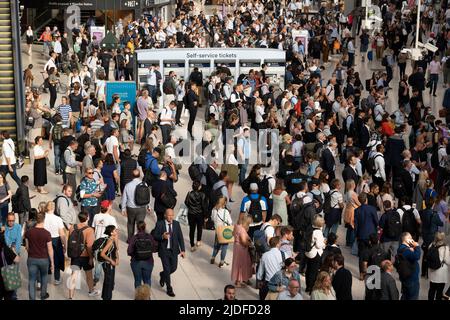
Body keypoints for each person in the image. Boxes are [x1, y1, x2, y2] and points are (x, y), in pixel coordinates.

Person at [153, 208, 186, 297]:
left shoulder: (176, 224)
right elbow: (154, 235)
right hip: (164, 251)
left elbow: (180, 238)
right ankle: (169, 288)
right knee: (167, 269)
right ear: (165, 215)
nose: (171, 217)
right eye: (169, 215)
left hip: (174, 250)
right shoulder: (160, 224)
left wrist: (183, 250)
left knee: (174, 268)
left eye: (172, 215)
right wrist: (162, 236)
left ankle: (162, 274)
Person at [67, 212, 99, 299]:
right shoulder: (89, 230)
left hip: (75, 255)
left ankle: (71, 296)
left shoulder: (72, 227)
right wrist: (91, 258)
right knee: (89, 275)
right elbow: (89, 246)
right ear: (88, 218)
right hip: (85, 256)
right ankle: (91, 291)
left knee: (73, 275)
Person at [24, 211, 53, 300]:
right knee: (44, 277)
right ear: (44, 220)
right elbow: (50, 249)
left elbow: (27, 247)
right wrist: (52, 262)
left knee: (32, 279)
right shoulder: (47, 233)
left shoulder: (28, 232)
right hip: (44, 259)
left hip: (32, 258)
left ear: (36, 220)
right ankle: (43, 295)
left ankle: (32, 298)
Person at [354, 192, 379, 279]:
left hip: (361, 235)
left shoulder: (357, 210)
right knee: (372, 254)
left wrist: (356, 235)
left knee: (361, 255)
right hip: (371, 235)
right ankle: (371, 272)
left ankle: (362, 273)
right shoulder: (372, 209)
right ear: (366, 200)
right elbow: (376, 222)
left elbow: (356, 225)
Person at [127, 221, 158, 288]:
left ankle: (138, 297)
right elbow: (155, 249)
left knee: (138, 280)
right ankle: (147, 296)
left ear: (137, 227)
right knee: (147, 280)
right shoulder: (150, 237)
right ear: (145, 226)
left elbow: (129, 251)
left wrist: (135, 254)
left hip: (136, 262)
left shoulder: (134, 238)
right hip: (148, 262)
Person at [121, 169, 148, 241]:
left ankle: (130, 239)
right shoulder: (144, 184)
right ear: (139, 175)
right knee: (140, 224)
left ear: (132, 175)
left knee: (130, 223)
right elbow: (147, 196)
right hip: (141, 207)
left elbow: (124, 198)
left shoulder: (128, 185)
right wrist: (148, 206)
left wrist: (123, 208)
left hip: (131, 208)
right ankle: (140, 239)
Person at [43, 201, 66, 285]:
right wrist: (65, 245)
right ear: (54, 208)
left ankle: (43, 278)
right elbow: (62, 234)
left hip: (44, 239)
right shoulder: (58, 219)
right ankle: (57, 279)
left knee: (45, 259)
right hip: (56, 240)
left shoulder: (43, 217)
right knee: (56, 259)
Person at [420, 197, 444, 277]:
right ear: (433, 204)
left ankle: (423, 272)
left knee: (425, 253)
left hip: (424, 235)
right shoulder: (434, 214)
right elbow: (440, 223)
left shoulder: (422, 212)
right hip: (432, 236)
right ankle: (430, 271)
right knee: (431, 253)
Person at [305, 215, 326, 294]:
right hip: (315, 254)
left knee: (308, 270)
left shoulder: (310, 228)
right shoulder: (318, 232)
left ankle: (307, 287)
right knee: (313, 272)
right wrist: (324, 243)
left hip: (308, 252)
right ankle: (311, 288)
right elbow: (318, 245)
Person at [184, 180, 208, 252]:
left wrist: (191, 207)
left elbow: (186, 202)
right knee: (199, 228)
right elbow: (204, 206)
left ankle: (192, 245)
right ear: (199, 187)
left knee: (192, 229)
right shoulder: (202, 195)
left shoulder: (189, 194)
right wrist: (206, 216)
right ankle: (198, 241)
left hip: (191, 213)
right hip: (199, 214)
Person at [397, 232, 421, 300]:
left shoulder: (402, 248)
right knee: (412, 297)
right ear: (406, 240)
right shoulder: (406, 250)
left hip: (406, 278)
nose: (412, 239)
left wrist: (412, 248)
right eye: (410, 238)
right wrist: (417, 246)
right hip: (411, 279)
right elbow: (417, 256)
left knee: (405, 296)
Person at [231, 215, 253, 288]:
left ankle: (240, 280)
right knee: (240, 265)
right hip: (241, 249)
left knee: (237, 264)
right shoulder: (242, 230)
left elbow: (232, 234)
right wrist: (249, 244)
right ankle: (238, 282)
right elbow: (243, 241)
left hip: (236, 247)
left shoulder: (237, 226)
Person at [210, 195, 233, 267]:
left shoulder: (214, 210)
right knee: (224, 247)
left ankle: (213, 257)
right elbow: (230, 222)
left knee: (216, 246)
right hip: (225, 231)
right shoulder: (226, 212)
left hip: (217, 230)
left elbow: (213, 219)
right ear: (225, 203)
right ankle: (222, 260)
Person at [427, 232, 450, 300]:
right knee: (439, 291)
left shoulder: (431, 245)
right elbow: (448, 261)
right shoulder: (445, 248)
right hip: (441, 273)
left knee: (432, 289)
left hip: (432, 271)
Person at [99, 225, 119, 300]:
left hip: (110, 264)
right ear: (111, 233)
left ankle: (105, 297)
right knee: (109, 283)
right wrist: (111, 261)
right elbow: (102, 253)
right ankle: (107, 298)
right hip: (108, 265)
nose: (116, 231)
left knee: (109, 282)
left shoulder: (112, 239)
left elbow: (116, 250)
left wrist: (117, 259)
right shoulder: (110, 241)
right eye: (115, 230)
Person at [0, 231, 19, 300]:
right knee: (8, 296)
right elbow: (17, 259)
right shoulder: (6, 249)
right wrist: (14, 250)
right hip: (6, 279)